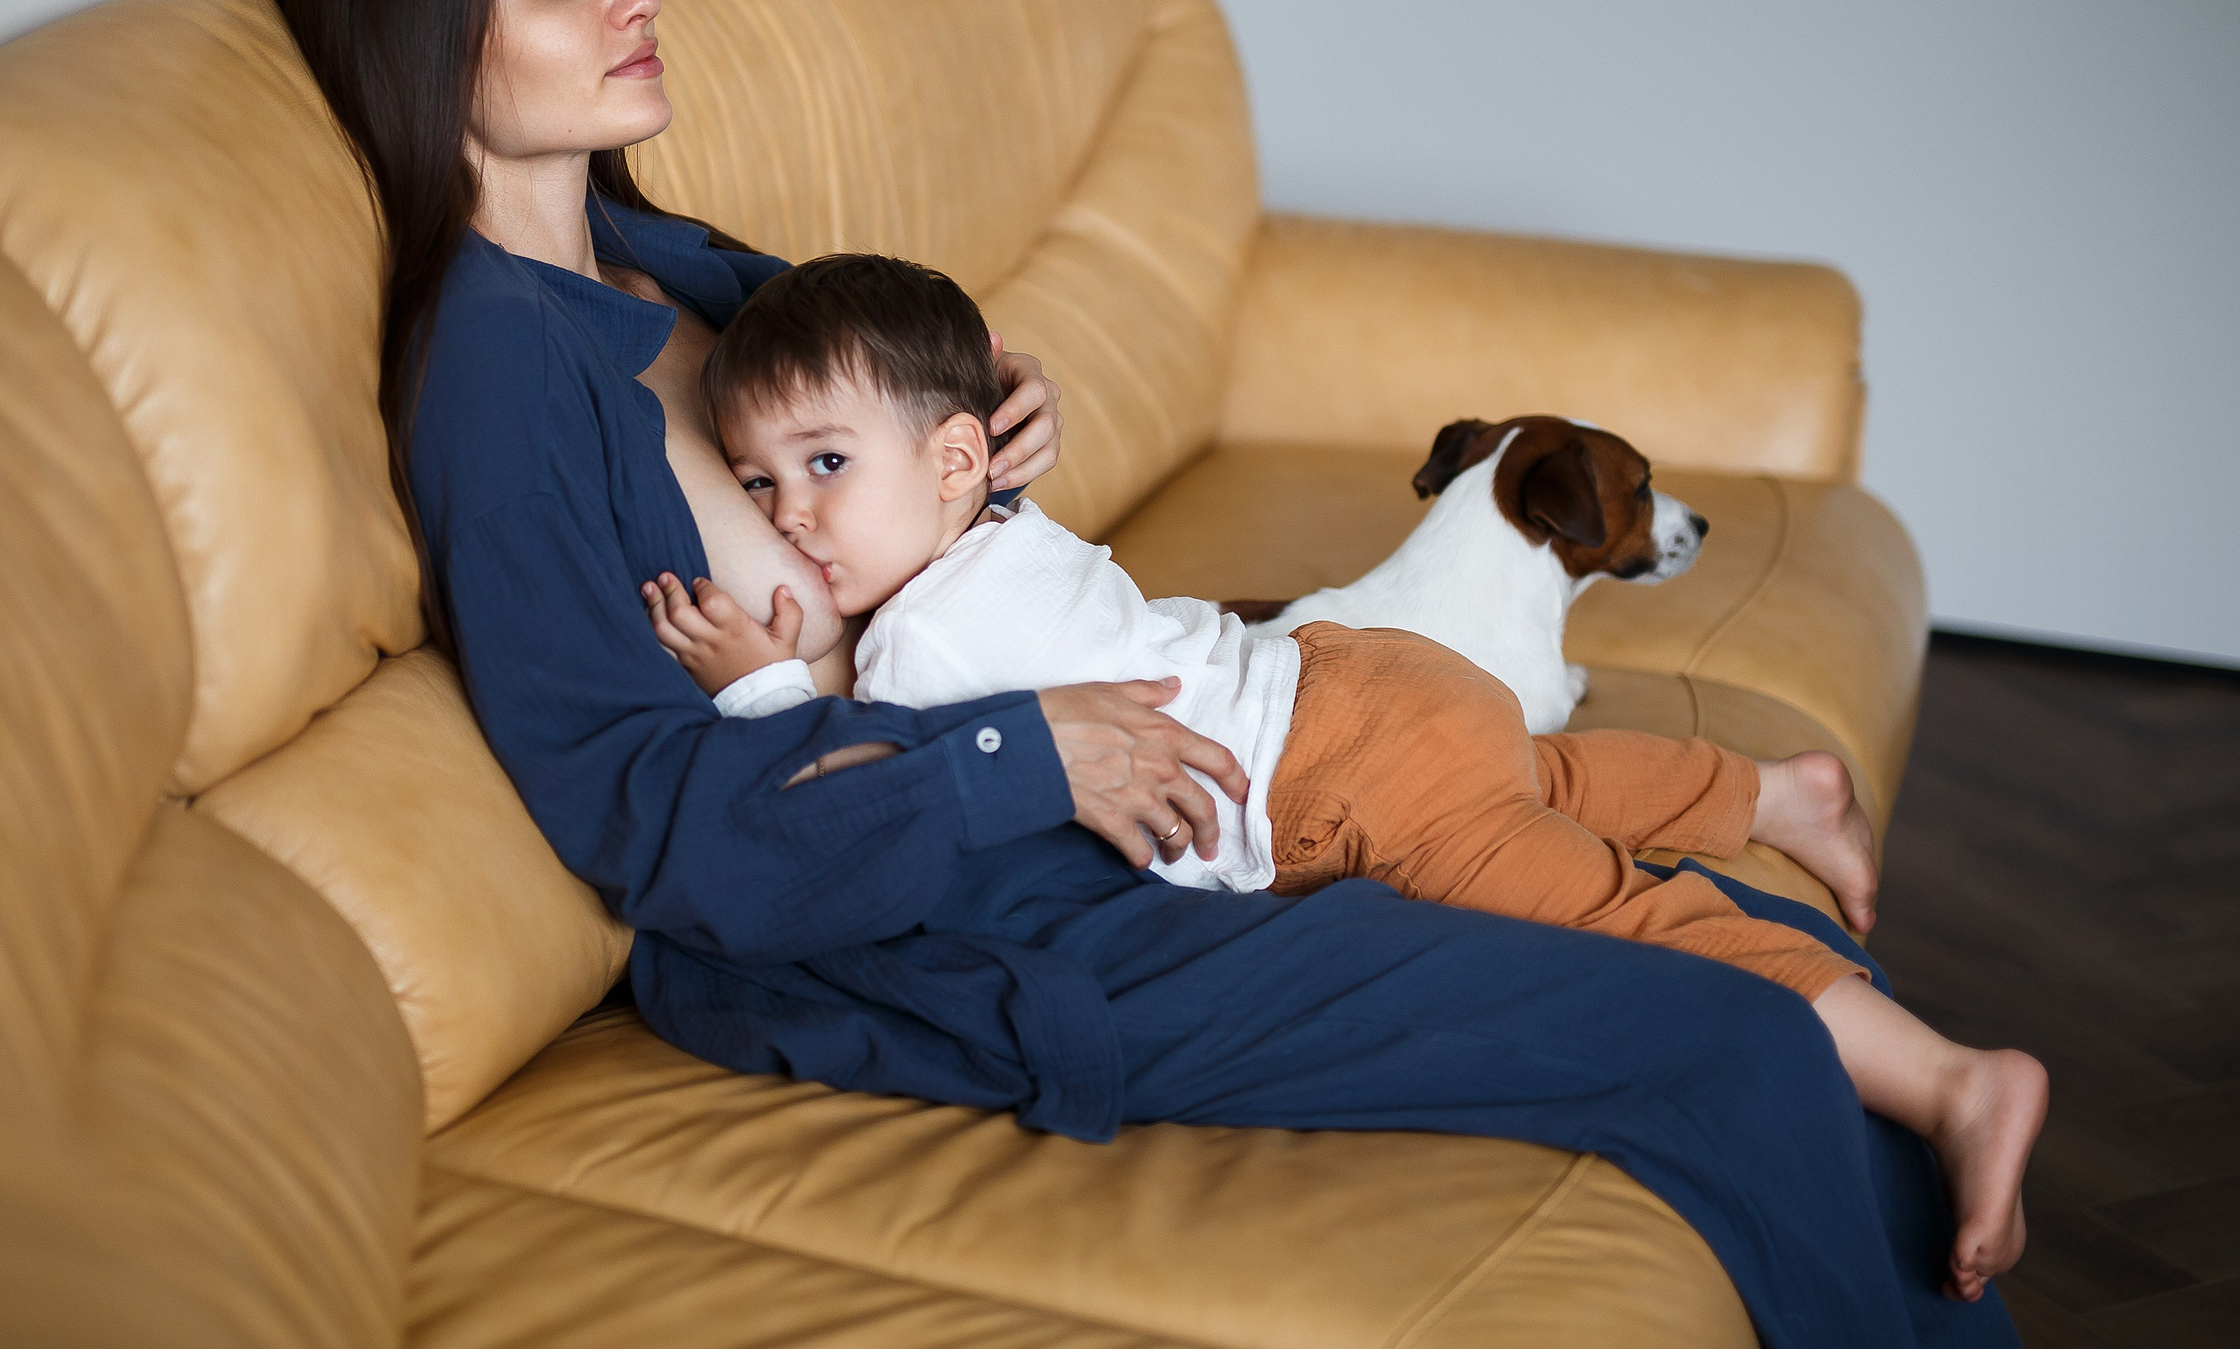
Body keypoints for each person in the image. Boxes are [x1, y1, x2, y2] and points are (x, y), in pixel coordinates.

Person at [259, 0, 2027, 1346]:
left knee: (1767, 928)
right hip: (959, 922)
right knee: (1727, 1047)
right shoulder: (494, 383)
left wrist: (989, 410)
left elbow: (895, 405)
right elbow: (642, 817)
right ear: (424, 33)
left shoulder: (658, 253)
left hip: (1145, 787)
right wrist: (1037, 754)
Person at [643, 249, 2049, 1294]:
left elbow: (851, 785)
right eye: (760, 486)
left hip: (1341, 786)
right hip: (1358, 675)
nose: (793, 520)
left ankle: (1949, 1084)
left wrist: (760, 684)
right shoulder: (1003, 526)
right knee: (1536, 781)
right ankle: (1767, 794)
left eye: (824, 465)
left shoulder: (916, 645)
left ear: (952, 458)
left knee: (1623, 916)